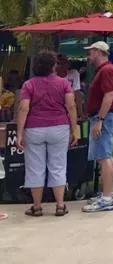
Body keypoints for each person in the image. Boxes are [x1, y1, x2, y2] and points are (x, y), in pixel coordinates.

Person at [16, 51, 78, 217]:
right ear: (53, 66)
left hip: (34, 128)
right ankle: (60, 205)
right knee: (58, 165)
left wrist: (19, 133)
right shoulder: (64, 84)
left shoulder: (29, 85)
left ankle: (37, 206)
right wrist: (75, 130)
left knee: (35, 167)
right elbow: (71, 107)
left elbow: (24, 108)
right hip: (59, 127)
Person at [82, 42, 113, 213]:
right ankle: (109, 193)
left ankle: (106, 198)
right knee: (106, 155)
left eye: (90, 53)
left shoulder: (106, 70)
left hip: (104, 117)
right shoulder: (107, 70)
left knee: (103, 156)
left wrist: (100, 118)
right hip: (107, 116)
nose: (88, 56)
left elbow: (109, 94)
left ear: (98, 52)